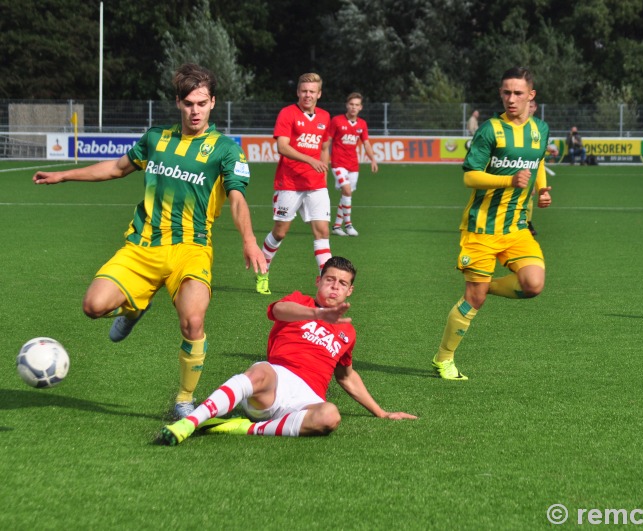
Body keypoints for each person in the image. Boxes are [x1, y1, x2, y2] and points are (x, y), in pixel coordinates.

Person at [32, 64, 267, 418]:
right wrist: (64, 175)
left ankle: (184, 399)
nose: (195, 110)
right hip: (142, 248)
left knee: (193, 322)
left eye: (202, 103)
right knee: (93, 307)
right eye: (188, 103)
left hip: (191, 250)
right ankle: (134, 307)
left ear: (213, 103)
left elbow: (237, 199)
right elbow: (116, 168)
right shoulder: (156, 139)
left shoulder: (225, 151)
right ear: (178, 102)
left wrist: (249, 240)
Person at [160, 256, 417, 445]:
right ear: (318, 281)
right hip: (275, 381)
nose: (335, 287)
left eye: (342, 283)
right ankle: (190, 423)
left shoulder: (348, 332)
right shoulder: (299, 302)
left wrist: (381, 412)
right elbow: (279, 310)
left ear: (350, 290)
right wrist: (317, 313)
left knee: (330, 416)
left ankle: (243, 428)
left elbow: (346, 376)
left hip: (307, 398)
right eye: (330, 280)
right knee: (260, 370)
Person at [432, 67, 552, 380]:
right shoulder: (490, 130)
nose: (511, 99)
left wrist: (542, 188)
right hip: (481, 228)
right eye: (506, 93)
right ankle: (444, 359)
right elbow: (470, 176)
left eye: (518, 93)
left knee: (533, 284)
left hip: (516, 229)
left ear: (531, 95)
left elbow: (537, 161)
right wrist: (509, 180)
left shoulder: (541, 129)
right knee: (474, 298)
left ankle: (486, 289)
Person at [256, 73, 332, 295]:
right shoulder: (287, 113)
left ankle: (326, 284)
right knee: (280, 232)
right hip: (289, 182)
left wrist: (324, 174)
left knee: (322, 232)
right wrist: (310, 160)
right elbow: (282, 146)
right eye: (304, 91)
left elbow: (325, 146)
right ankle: (263, 271)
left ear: (319, 93)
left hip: (316, 185)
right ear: (298, 92)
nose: (308, 95)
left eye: (312, 91)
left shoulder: (325, 117)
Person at [329, 92, 379, 237]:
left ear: (360, 107)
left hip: (353, 165)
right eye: (351, 104)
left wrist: (373, 159)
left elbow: (366, 143)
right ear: (347, 105)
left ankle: (337, 226)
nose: (353, 107)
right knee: (347, 190)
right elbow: (327, 141)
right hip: (338, 163)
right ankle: (348, 224)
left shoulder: (362, 124)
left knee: (346, 194)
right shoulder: (337, 120)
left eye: (356, 105)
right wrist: (323, 159)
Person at [525, 100, 554, 236]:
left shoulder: (539, 127)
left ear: (535, 108)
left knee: (530, 193)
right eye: (527, 105)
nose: (528, 109)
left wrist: (549, 149)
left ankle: (527, 222)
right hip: (514, 164)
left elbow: (539, 146)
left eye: (531, 106)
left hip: (531, 164)